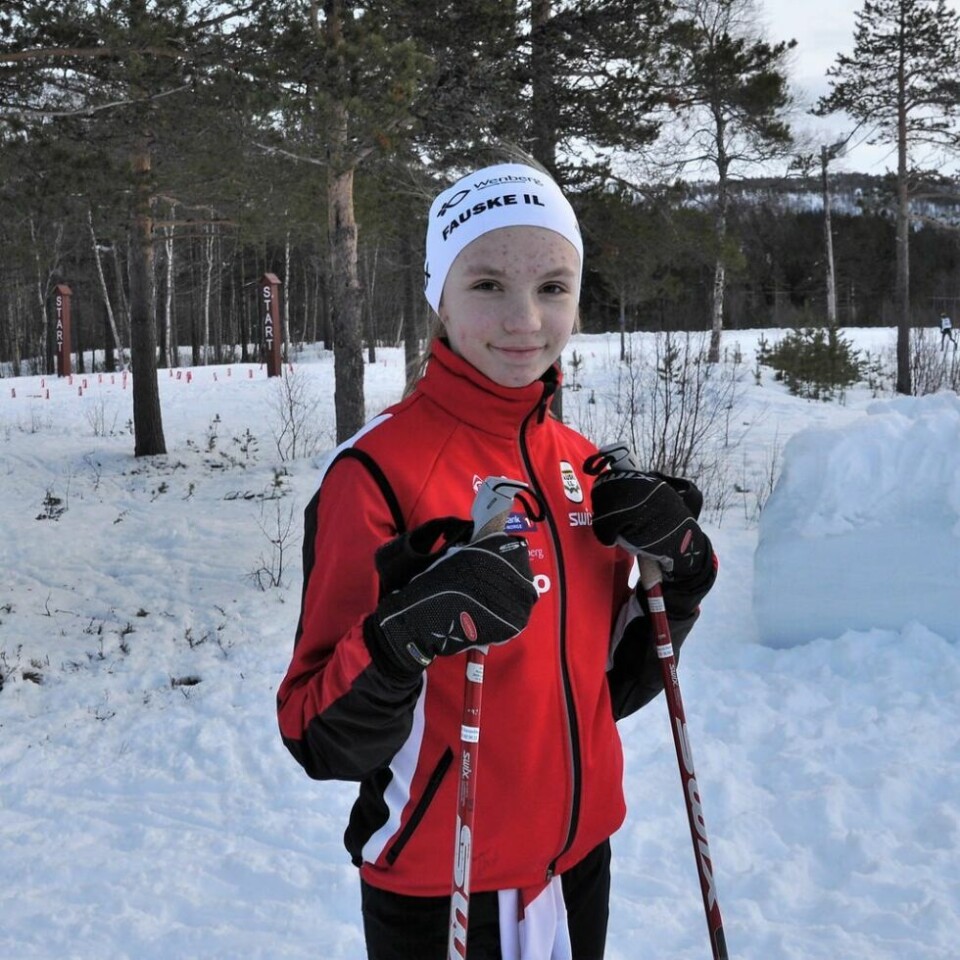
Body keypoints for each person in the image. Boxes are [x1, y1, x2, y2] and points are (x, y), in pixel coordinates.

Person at [276, 157, 717, 960]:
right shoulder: (375, 471)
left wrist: (679, 582)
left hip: (579, 866)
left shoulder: (584, 469)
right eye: (486, 285)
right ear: (438, 298)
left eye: (553, 287)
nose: (525, 319)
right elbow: (317, 733)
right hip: (439, 885)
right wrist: (400, 640)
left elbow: (602, 690)